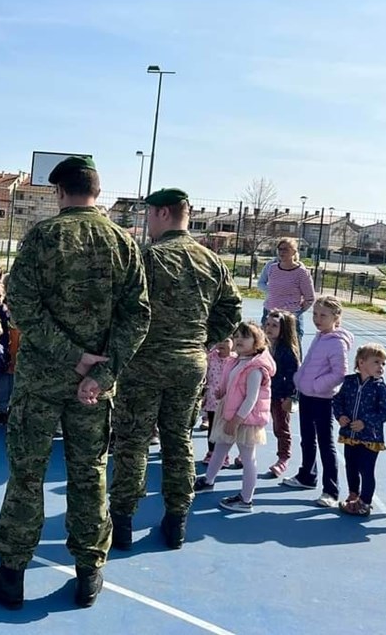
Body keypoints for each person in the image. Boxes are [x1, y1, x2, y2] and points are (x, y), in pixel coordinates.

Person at [0, 155, 150, 611]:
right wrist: (100, 371)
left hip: (41, 382)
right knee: (89, 474)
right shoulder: (123, 243)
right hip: (93, 388)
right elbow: (137, 317)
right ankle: (88, 573)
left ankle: (12, 573)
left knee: (27, 474)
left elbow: (21, 307)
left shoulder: (43, 237)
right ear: (98, 191)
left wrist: (72, 357)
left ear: (59, 192)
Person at [110, 187, 242, 550]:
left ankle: (122, 521)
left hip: (144, 363)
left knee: (133, 443)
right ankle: (177, 520)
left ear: (163, 213)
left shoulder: (148, 257)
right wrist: (202, 340)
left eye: (149, 215)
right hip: (189, 363)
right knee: (178, 440)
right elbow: (231, 309)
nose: (147, 222)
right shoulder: (211, 261)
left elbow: (122, 308)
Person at [193, 321, 275, 513]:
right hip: (229, 414)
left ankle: (246, 499)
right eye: (236, 336)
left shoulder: (255, 368)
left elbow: (251, 399)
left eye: (245, 337)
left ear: (257, 341)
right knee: (220, 449)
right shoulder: (238, 361)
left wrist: (236, 421)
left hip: (244, 420)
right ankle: (208, 481)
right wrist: (222, 391)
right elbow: (232, 383)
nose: (239, 340)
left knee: (248, 458)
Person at [281, 295, 353, 508]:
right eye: (315, 314)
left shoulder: (337, 342)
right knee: (307, 439)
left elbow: (339, 373)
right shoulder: (320, 336)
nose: (317, 319)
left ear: (336, 317)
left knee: (325, 444)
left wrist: (316, 386)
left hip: (322, 399)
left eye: (323, 315)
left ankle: (331, 490)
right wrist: (300, 380)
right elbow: (310, 364)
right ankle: (307, 476)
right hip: (307, 396)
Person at [333, 343, 386, 516]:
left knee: (366, 469)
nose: (381, 367)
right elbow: (337, 400)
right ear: (361, 362)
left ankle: (365, 502)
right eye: (376, 362)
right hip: (349, 434)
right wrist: (340, 416)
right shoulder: (349, 382)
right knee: (351, 466)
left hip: (370, 438)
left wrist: (365, 422)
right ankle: (353, 494)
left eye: (383, 363)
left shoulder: (381, 388)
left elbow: (385, 412)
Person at [257, 237, 315, 351]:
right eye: (280, 249)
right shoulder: (272, 268)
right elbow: (265, 285)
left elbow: (309, 298)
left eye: (286, 249)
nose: (282, 252)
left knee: (291, 350)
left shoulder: (301, 272)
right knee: (267, 348)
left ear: (294, 252)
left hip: (290, 319)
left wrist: (295, 313)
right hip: (270, 314)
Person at [263, 309, 300, 478]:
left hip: (279, 395)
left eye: (274, 326)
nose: (269, 328)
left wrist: (291, 397)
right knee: (253, 424)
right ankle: (246, 453)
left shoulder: (287, 351)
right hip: (261, 393)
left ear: (283, 329)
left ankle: (283, 457)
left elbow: (294, 376)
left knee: (281, 427)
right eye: (268, 324)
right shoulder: (261, 346)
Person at [201, 338, 235, 466]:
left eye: (226, 341)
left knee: (224, 430)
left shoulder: (235, 360)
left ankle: (224, 455)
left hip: (228, 401)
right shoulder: (211, 357)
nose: (221, 344)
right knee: (212, 428)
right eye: (219, 341)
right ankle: (211, 452)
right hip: (212, 400)